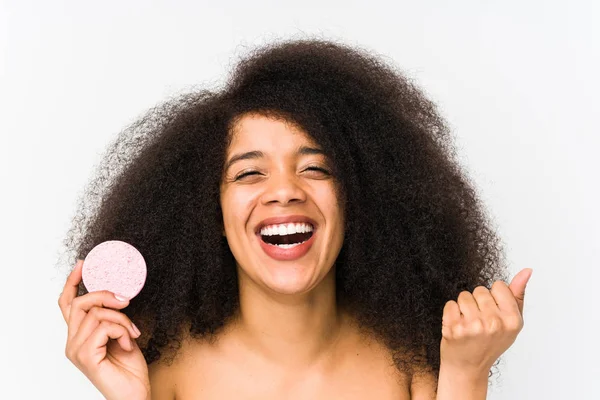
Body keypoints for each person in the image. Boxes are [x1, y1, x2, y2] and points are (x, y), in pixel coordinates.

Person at [58, 38, 532, 399]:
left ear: (358, 199)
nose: (284, 191)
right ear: (210, 212)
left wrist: (467, 374)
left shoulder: (415, 367)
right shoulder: (161, 373)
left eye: (315, 168)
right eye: (249, 173)